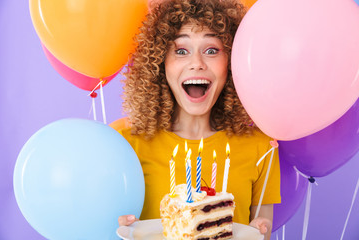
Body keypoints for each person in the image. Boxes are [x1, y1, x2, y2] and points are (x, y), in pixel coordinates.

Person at [111, 0, 281, 239]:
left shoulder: (262, 148)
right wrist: (117, 226)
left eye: (211, 50)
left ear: (232, 62)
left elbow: (261, 230)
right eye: (181, 51)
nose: (197, 64)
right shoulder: (128, 146)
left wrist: (261, 231)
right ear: (160, 63)